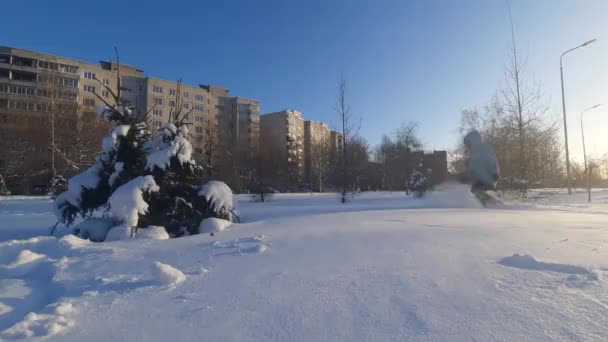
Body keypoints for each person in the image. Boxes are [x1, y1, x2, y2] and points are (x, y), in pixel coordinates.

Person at [463, 130, 500, 205]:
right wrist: (467, 176)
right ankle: (486, 209)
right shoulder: (472, 153)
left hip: (487, 179)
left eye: (468, 143)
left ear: (473, 141)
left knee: (480, 195)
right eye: (467, 144)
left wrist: (495, 173)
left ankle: (496, 207)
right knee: (475, 196)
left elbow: (492, 160)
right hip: (477, 180)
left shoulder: (485, 148)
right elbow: (472, 169)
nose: (468, 146)